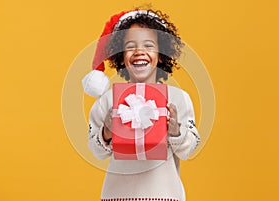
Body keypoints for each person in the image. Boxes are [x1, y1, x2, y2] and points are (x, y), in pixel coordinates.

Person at [82, 8, 200, 201]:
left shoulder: (178, 98)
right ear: (121, 56)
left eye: (148, 45)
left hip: (165, 195)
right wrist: (107, 131)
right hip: (117, 195)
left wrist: (175, 130)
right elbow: (96, 151)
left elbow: (189, 149)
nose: (139, 52)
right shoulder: (108, 100)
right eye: (130, 46)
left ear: (161, 54)